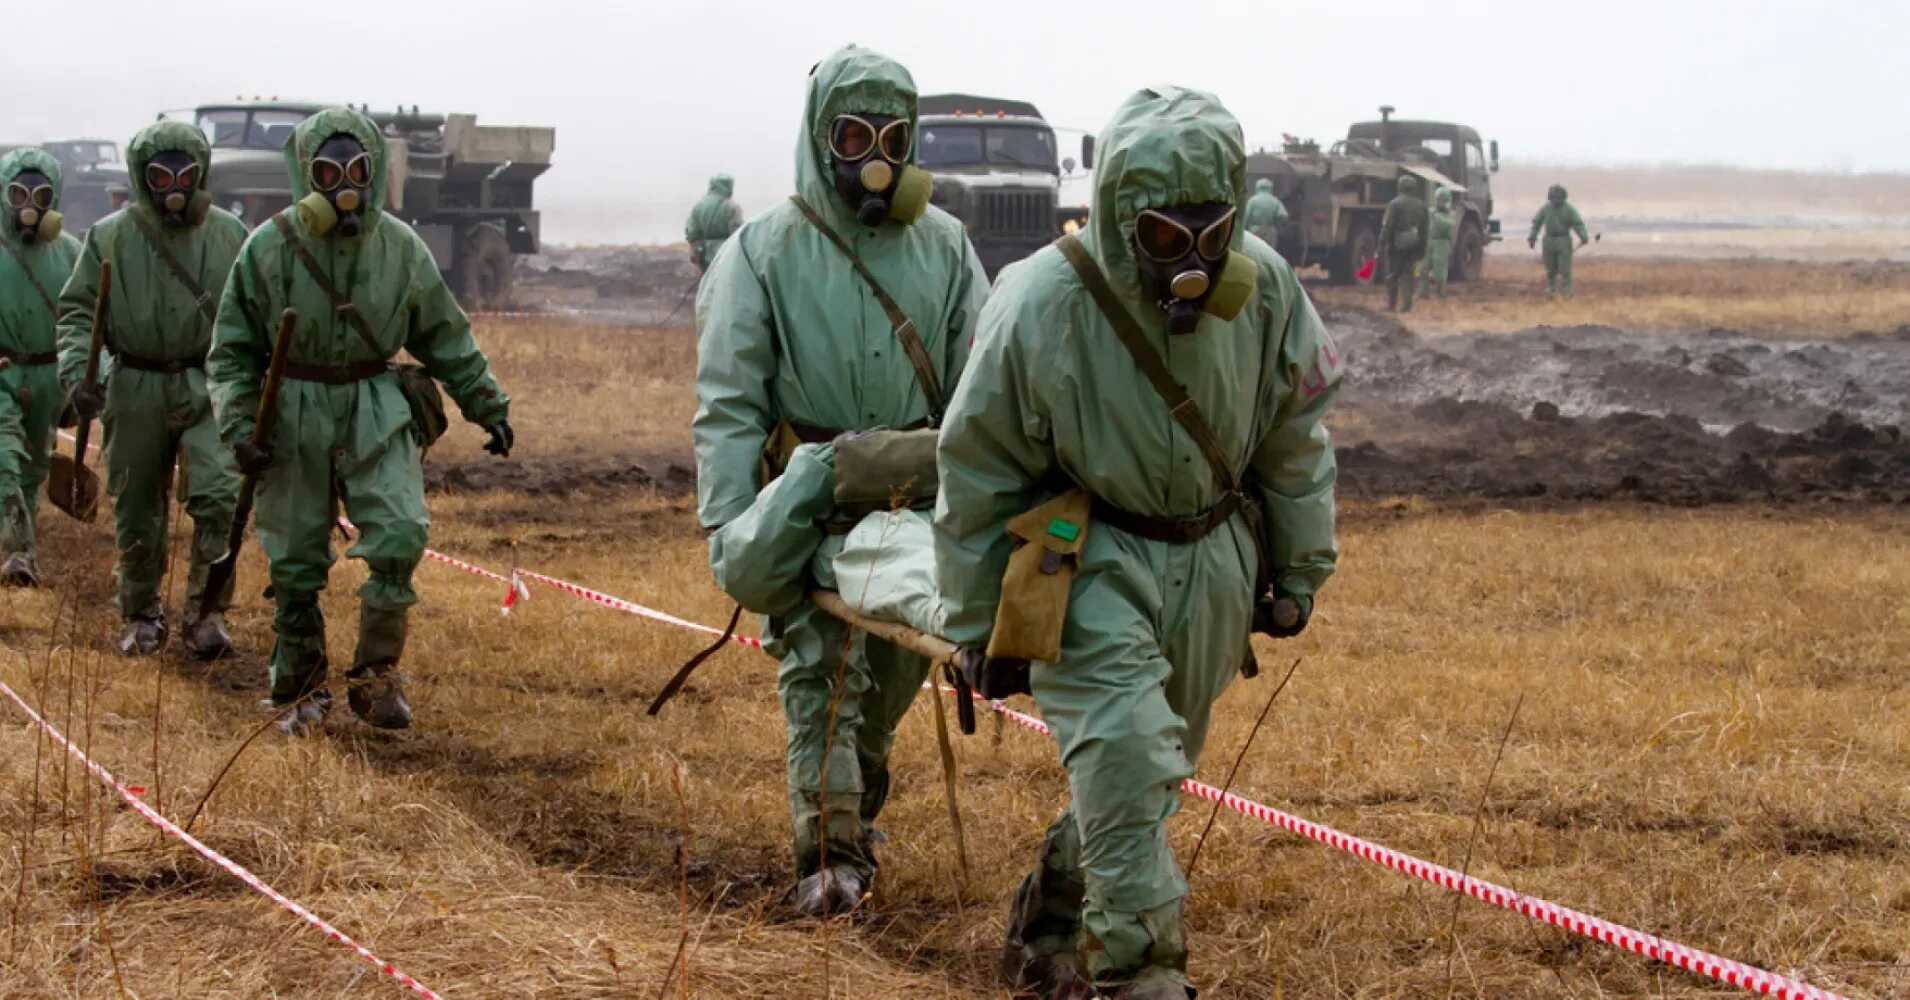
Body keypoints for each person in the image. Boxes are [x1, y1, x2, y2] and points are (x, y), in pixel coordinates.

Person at [936, 85, 1341, 998]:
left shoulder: (1266, 289)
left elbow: (1294, 438)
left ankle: (1046, 921)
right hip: (1087, 560)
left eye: (1213, 234)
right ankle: (1142, 976)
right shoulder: (1039, 299)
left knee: (1150, 777)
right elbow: (978, 466)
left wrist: (1299, 568)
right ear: (1121, 220)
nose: (1194, 263)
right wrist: (974, 622)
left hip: (1213, 562)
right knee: (1124, 755)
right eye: (1164, 239)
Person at [693, 44, 988, 918]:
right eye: (853, 135)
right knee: (823, 671)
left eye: (893, 138)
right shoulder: (759, 253)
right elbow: (728, 402)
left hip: (919, 501)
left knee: (893, 673)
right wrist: (737, 523)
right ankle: (827, 854)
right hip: (812, 501)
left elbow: (985, 386)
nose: (874, 157)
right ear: (820, 140)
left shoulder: (946, 248)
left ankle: (857, 809)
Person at [207, 108, 513, 736]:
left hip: (376, 403)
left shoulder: (401, 247)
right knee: (294, 555)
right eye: (327, 171)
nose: (343, 185)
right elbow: (233, 349)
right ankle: (298, 682)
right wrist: (241, 423)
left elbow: (445, 334)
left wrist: (488, 404)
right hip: (292, 407)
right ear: (304, 175)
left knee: (400, 534)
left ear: (375, 173)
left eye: (356, 171)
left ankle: (376, 678)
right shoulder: (268, 247)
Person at [56, 121, 248, 657]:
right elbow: (76, 312)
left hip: (209, 384)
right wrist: (80, 373)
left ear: (202, 173)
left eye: (186, 174)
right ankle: (140, 613)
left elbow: (255, 315)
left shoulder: (231, 236)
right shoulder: (108, 236)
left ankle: (206, 613)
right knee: (138, 504)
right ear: (143, 177)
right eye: (161, 175)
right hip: (134, 382)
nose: (175, 187)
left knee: (218, 497)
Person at [0, 148, 83, 587]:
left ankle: (21, 551)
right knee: (3, 459)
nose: (28, 205)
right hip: (2, 372)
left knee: (32, 469)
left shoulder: (70, 252)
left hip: (49, 376)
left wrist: (77, 382)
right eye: (18, 193)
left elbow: (85, 316)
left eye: (41, 194)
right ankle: (19, 553)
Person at [1528, 183, 1589, 300]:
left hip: (1563, 241)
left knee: (1565, 268)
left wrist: (1583, 236)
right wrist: (1532, 237)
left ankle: (1567, 292)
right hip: (1549, 240)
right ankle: (1552, 291)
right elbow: (1537, 223)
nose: (1556, 199)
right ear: (1550, 197)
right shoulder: (1546, 209)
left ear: (1563, 197)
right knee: (1550, 268)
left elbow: (1577, 224)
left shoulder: (1569, 209)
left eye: (1559, 197)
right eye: (1554, 197)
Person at [1378, 173, 1428, 312]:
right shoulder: (1421, 205)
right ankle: (1407, 305)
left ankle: (1392, 304)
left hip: (1396, 246)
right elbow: (1425, 229)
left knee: (1393, 275)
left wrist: (1382, 244)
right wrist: (1422, 249)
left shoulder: (1395, 204)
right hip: (1415, 245)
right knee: (1409, 275)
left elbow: (1388, 227)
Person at [684, 174, 743, 272]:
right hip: (726, 253)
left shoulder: (699, 206)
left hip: (703, 254)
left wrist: (696, 252)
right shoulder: (731, 206)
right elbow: (737, 233)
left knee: (707, 284)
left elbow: (692, 232)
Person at [1419, 186, 1457, 300]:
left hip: (1442, 243)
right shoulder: (1430, 211)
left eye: (1443, 200)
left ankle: (1441, 293)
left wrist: (1438, 217)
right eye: (1438, 199)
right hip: (1429, 242)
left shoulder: (1450, 214)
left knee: (1440, 272)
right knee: (1422, 268)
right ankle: (1423, 293)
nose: (1440, 202)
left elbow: (1448, 227)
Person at [1242, 177, 1288, 255]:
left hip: (1254, 230)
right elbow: (1283, 216)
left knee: (1254, 252)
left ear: (1257, 187)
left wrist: (1244, 229)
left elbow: (1245, 216)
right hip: (1270, 231)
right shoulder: (1275, 201)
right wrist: (1277, 225)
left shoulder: (1252, 200)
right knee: (1270, 253)